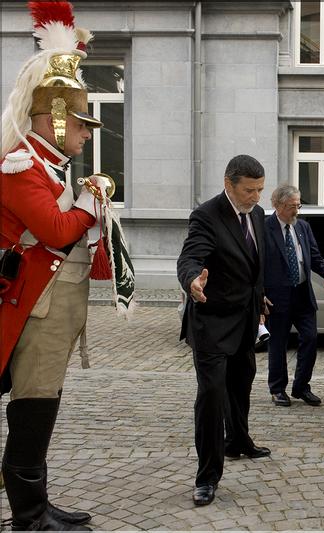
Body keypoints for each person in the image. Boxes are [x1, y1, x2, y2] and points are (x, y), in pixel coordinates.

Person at [0, 3, 109, 529]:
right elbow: (56, 230)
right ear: (56, 118)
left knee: (44, 406)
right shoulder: (21, 164)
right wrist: (91, 203)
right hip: (27, 311)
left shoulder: (48, 165)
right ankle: (28, 515)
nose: (86, 135)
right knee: (32, 409)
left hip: (45, 309)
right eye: (82, 125)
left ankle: (36, 505)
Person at [177, 154, 271, 507]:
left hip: (245, 321)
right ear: (228, 183)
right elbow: (190, 258)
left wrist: (261, 298)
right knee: (212, 397)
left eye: (260, 190)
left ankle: (239, 442)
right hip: (212, 324)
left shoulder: (258, 215)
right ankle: (207, 477)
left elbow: (254, 267)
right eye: (249, 190)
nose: (256, 197)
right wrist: (191, 281)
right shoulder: (206, 215)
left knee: (241, 387)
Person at [263, 183, 324, 407]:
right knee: (278, 345)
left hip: (302, 295)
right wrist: (260, 294)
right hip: (276, 298)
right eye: (292, 206)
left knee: (310, 338)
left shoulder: (302, 228)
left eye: (298, 205)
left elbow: (316, 260)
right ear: (278, 205)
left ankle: (301, 387)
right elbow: (255, 266)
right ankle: (278, 389)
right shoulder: (264, 229)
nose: (296, 211)